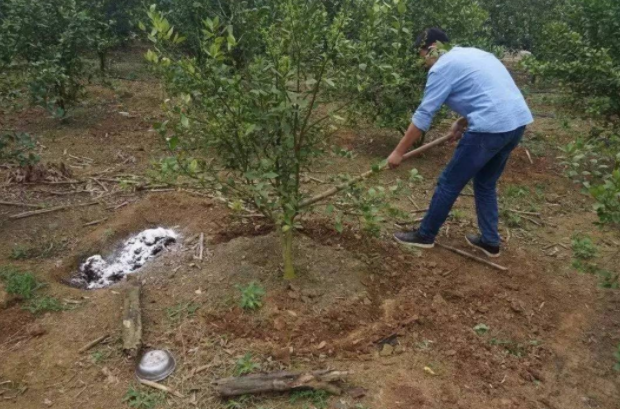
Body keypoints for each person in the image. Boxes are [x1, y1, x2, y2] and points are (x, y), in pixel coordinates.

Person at [388, 28, 533, 258]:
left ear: (433, 48)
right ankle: (490, 241)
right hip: (516, 123)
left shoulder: (442, 68)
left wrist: (397, 152)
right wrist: (463, 122)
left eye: (423, 55)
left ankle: (425, 235)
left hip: (490, 129)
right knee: (485, 182)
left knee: (449, 182)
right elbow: (493, 94)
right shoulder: (475, 54)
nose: (424, 62)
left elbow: (424, 114)